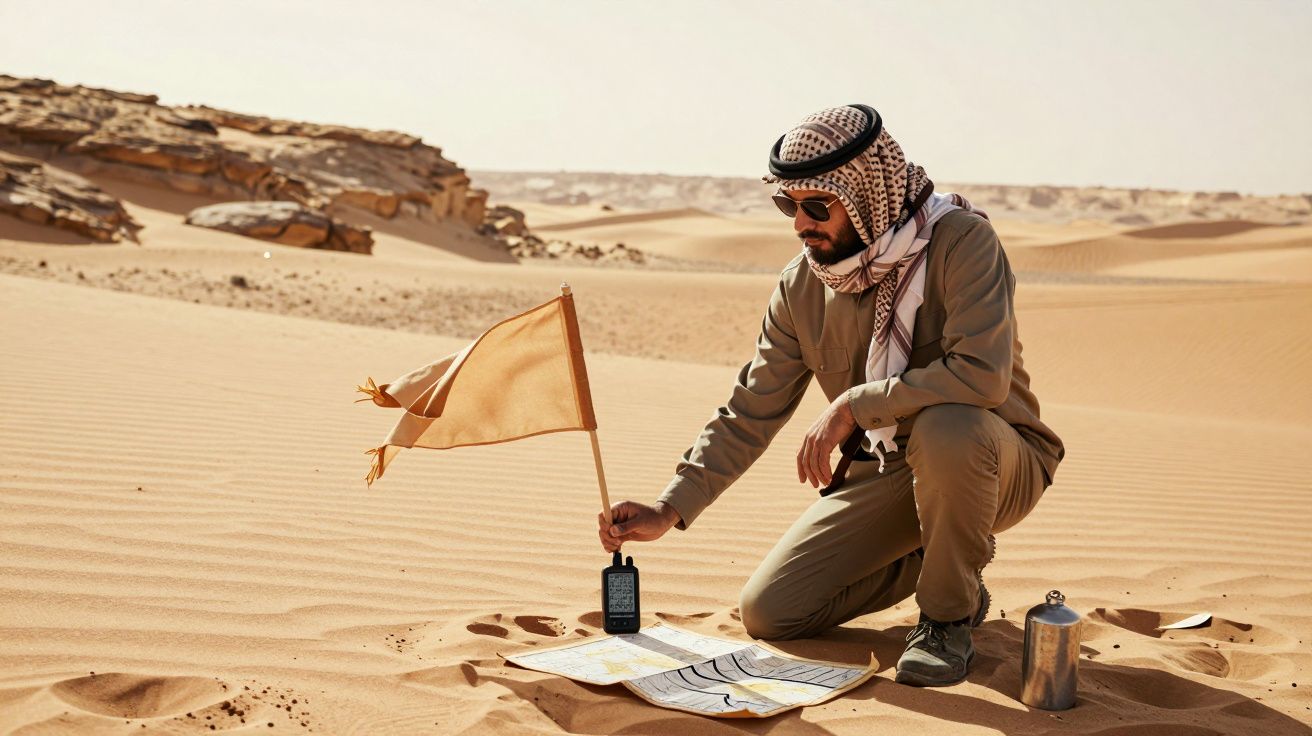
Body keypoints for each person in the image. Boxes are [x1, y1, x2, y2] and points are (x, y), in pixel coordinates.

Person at [596, 104, 1065, 687]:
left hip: (994, 461)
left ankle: (947, 619)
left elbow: (981, 377)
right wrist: (670, 507)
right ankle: (947, 566)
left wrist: (854, 404)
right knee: (772, 611)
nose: (799, 223)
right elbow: (750, 408)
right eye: (787, 205)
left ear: (866, 196)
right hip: (887, 470)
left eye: (817, 206)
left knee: (949, 425)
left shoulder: (961, 243)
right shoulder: (802, 285)